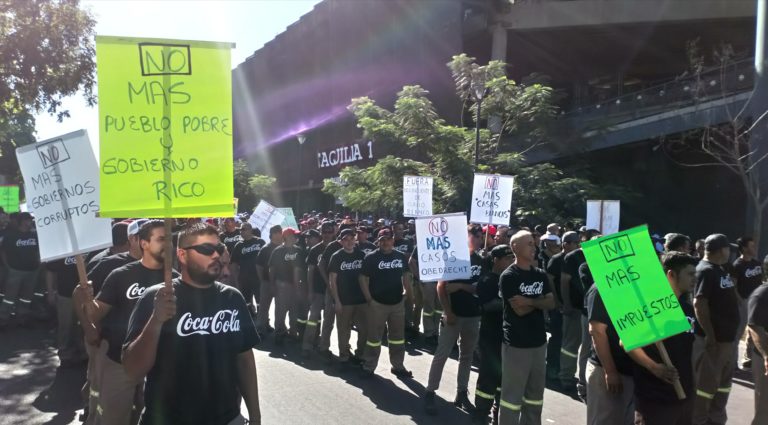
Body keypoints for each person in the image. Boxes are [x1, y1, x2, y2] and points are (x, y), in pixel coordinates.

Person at [122, 223, 261, 425]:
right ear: (182, 255)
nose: (216, 255)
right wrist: (156, 320)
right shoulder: (155, 297)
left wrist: (255, 417)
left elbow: (245, 360)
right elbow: (132, 369)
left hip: (227, 419)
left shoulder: (232, 298)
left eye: (219, 248)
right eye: (206, 249)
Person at [76, 220, 178, 425]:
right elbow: (95, 315)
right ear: (144, 243)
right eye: (161, 239)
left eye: (171, 239)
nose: (168, 244)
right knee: (112, 418)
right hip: (117, 360)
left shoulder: (175, 279)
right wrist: (87, 299)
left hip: (158, 363)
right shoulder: (120, 275)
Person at [628, 252, 697, 425]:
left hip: (683, 395)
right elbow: (628, 342)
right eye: (690, 274)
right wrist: (655, 368)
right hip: (655, 398)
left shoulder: (687, 309)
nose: (694, 278)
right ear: (671, 274)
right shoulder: (652, 306)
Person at [424, 226, 486, 415]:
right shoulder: (453, 258)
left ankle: (461, 392)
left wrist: (460, 285)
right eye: (476, 235)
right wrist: (448, 311)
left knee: (466, 356)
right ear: (466, 236)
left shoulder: (482, 260)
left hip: (473, 316)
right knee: (441, 354)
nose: (479, 238)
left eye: (481, 236)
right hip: (453, 315)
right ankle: (430, 392)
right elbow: (441, 287)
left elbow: (481, 288)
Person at [498, 231, 555, 425]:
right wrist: (539, 301)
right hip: (516, 344)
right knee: (512, 398)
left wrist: (529, 301)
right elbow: (519, 311)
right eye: (529, 244)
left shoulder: (540, 274)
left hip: (539, 343)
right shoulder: (509, 276)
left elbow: (551, 303)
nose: (534, 247)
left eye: (534, 243)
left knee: (535, 397)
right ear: (515, 247)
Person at [692, 234, 739, 425]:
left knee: (722, 386)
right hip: (713, 342)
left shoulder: (719, 269)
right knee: (705, 388)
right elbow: (699, 303)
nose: (730, 252)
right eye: (728, 248)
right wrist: (710, 336)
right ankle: (699, 421)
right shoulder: (705, 271)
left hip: (726, 342)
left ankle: (716, 419)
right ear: (721, 250)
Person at [584, 262, 634, 425]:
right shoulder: (601, 289)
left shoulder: (634, 286)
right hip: (607, 369)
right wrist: (610, 372)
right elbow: (597, 331)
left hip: (630, 370)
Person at [360, 228, 413, 378]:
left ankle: (398, 365)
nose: (385, 242)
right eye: (382, 240)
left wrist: (406, 293)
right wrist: (369, 299)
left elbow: (406, 275)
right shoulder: (370, 258)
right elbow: (362, 278)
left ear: (392, 240)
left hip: (397, 303)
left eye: (388, 239)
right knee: (374, 338)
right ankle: (369, 366)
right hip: (377, 304)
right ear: (378, 241)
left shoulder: (400, 256)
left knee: (398, 337)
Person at [472, 244, 515, 425]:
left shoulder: (513, 278)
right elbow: (487, 305)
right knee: (488, 375)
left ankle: (499, 412)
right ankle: (481, 411)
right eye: (507, 258)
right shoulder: (487, 280)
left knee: (505, 376)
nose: (511, 261)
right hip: (490, 336)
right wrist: (511, 301)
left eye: (512, 258)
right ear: (495, 260)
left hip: (509, 336)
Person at [327, 228, 367, 365]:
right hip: (344, 301)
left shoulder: (361, 255)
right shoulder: (337, 256)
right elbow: (333, 281)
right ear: (341, 241)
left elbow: (367, 278)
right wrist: (336, 301)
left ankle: (360, 354)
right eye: (346, 239)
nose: (349, 242)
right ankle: (344, 355)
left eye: (352, 238)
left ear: (355, 239)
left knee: (364, 329)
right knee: (343, 330)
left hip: (361, 300)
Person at [302, 221, 337, 358]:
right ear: (320, 232)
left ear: (334, 232)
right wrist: (310, 290)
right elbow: (310, 271)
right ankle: (307, 345)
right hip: (317, 289)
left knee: (328, 322)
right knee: (313, 319)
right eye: (324, 231)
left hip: (332, 291)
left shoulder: (338, 248)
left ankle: (324, 347)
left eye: (329, 231)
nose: (327, 234)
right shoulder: (315, 249)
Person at [45, 256, 87, 367]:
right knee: (65, 325)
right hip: (65, 294)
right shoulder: (61, 250)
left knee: (83, 325)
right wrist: (50, 292)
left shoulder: (90, 249)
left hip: (86, 295)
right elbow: (50, 271)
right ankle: (64, 354)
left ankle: (83, 351)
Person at [550, 231, 580, 389]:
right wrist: (559, 302)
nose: (579, 245)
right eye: (576, 242)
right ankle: (559, 373)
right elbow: (553, 281)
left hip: (577, 308)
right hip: (563, 307)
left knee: (569, 341)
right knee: (562, 341)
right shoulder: (557, 260)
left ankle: (564, 371)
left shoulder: (578, 257)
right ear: (566, 243)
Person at [0, 212, 40, 326]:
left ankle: (22, 316)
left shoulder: (34, 235)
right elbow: (3, 252)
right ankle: (3, 318)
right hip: (16, 271)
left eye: (30, 220)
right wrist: (8, 266)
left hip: (32, 271)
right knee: (9, 297)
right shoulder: (11, 236)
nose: (30, 222)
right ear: (21, 221)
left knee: (26, 297)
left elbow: (37, 251)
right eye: (27, 220)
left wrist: (37, 262)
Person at [733, 236, 763, 369]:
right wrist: (740, 301)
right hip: (744, 302)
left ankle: (748, 358)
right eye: (751, 246)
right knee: (738, 332)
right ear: (744, 248)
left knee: (755, 331)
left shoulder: (756, 263)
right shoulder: (737, 265)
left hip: (757, 303)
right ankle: (732, 363)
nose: (754, 248)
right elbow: (733, 286)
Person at [269, 227, 302, 344]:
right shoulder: (278, 251)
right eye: (294, 235)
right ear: (287, 237)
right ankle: (279, 333)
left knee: (294, 311)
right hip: (281, 285)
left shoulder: (298, 250)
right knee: (280, 311)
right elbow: (271, 269)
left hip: (295, 285)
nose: (296, 237)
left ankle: (293, 332)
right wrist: (272, 285)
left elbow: (300, 269)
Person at [230, 223, 265, 318]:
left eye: (244, 229)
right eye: (240, 230)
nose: (241, 231)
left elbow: (267, 259)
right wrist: (237, 279)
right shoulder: (239, 245)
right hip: (244, 279)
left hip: (258, 277)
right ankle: (251, 322)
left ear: (250, 230)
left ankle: (264, 323)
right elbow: (233, 263)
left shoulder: (260, 242)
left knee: (261, 302)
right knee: (247, 303)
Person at [747, 280, 768, 425]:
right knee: (764, 409)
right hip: (764, 357)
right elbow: (754, 327)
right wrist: (766, 356)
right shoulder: (761, 294)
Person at [255, 225, 283, 333]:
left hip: (281, 282)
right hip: (266, 282)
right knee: (264, 307)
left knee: (280, 307)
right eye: (278, 232)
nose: (280, 235)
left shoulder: (284, 247)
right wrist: (263, 280)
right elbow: (258, 266)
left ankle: (279, 329)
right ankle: (261, 328)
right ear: (273, 234)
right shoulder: (266, 248)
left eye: (280, 232)